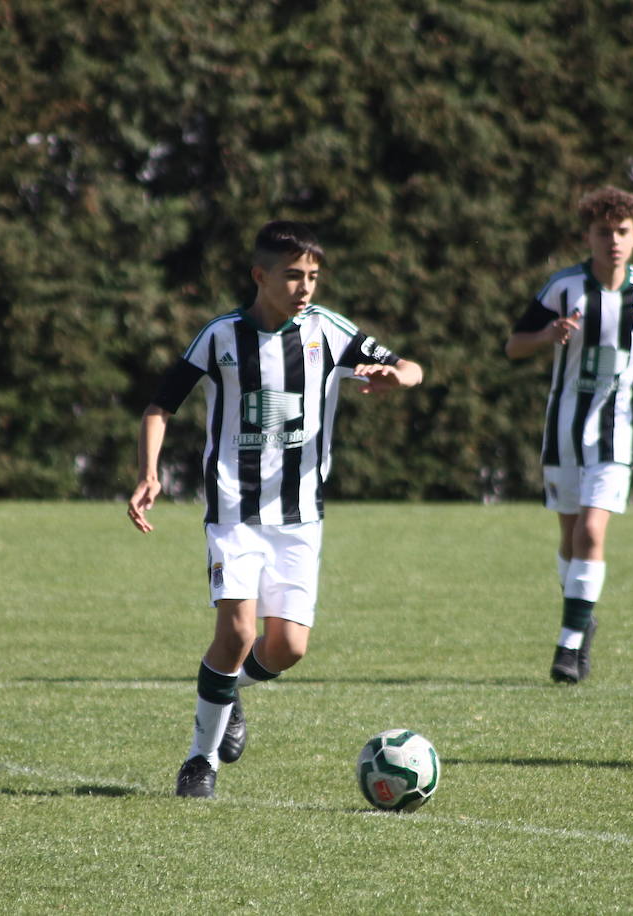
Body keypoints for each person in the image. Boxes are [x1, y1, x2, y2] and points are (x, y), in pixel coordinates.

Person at [127, 220, 423, 799]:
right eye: (292, 275)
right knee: (236, 631)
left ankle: (229, 689)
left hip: (299, 518)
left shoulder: (330, 332)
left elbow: (411, 365)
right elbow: (160, 406)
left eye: (312, 276)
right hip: (233, 512)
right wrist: (147, 472)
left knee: (288, 647)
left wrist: (398, 377)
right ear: (260, 276)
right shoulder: (219, 337)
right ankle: (199, 763)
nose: (304, 287)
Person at [504, 187, 633, 684]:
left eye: (622, 232)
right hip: (565, 425)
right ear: (588, 237)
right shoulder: (564, 287)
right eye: (604, 233)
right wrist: (545, 336)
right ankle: (583, 613)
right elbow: (514, 345)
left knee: (591, 532)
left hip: (619, 424)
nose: (613, 242)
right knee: (569, 536)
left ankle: (568, 645)